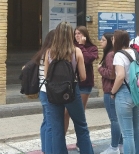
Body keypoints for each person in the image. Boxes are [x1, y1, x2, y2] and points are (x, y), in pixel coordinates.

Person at [44, 22, 93, 154]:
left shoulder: (49, 52)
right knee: (81, 126)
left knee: (57, 129)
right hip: (72, 92)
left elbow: (46, 75)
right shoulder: (76, 51)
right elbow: (83, 76)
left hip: (53, 93)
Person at [110, 30, 139, 154]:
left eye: (113, 38)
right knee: (137, 129)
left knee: (127, 133)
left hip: (124, 93)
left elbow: (120, 76)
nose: (112, 40)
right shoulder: (134, 52)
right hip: (136, 92)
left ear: (117, 40)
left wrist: (112, 92)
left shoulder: (119, 55)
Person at [65, 26, 98, 133]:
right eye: (75, 34)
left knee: (79, 113)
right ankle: (61, 140)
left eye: (79, 33)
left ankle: (81, 140)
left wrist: (81, 46)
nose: (77, 36)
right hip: (71, 83)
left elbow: (87, 60)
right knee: (66, 112)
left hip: (84, 84)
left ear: (85, 35)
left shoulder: (92, 48)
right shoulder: (71, 47)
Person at [98, 33, 123, 154]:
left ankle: (114, 147)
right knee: (117, 119)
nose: (100, 42)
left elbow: (111, 74)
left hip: (110, 90)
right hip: (116, 90)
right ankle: (120, 144)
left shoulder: (109, 55)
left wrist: (99, 69)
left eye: (103, 40)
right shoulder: (114, 53)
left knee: (114, 119)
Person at [31, 30, 55, 154]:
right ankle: (49, 151)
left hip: (42, 91)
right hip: (48, 91)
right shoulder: (50, 53)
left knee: (46, 121)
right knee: (51, 123)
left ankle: (45, 149)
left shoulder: (42, 52)